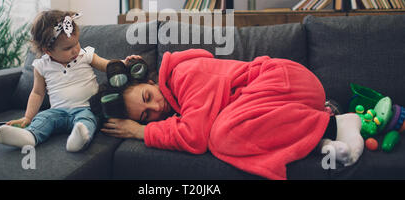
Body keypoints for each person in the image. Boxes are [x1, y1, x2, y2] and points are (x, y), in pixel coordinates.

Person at [101, 48, 364, 180]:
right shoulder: (174, 103)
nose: (156, 108)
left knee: (222, 135)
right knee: (226, 133)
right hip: (281, 100)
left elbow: (194, 137)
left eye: (148, 97)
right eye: (146, 116)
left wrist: (142, 131)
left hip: (286, 80)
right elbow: (184, 128)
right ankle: (316, 139)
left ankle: (337, 124)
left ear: (150, 80)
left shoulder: (184, 75)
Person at [0, 10, 140, 152]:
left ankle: (80, 138)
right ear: (48, 51)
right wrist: (28, 117)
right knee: (44, 118)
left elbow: (108, 66)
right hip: (58, 112)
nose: (75, 50)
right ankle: (30, 136)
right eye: (68, 48)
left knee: (87, 120)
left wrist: (126, 63)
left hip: (87, 108)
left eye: (77, 43)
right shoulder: (41, 66)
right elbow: (37, 93)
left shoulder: (85, 55)